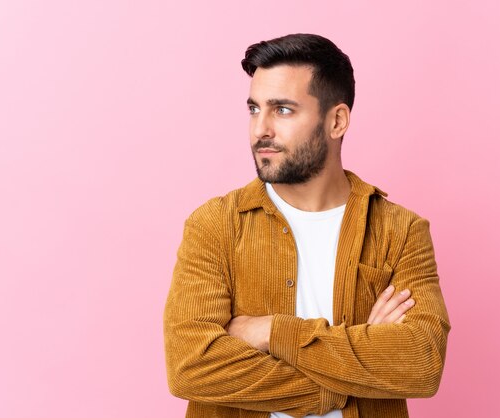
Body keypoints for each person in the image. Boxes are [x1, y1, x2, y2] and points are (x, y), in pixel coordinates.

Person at [164, 33, 450, 418]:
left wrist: (272, 332)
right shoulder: (215, 225)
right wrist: (353, 375)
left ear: (336, 120)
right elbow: (190, 366)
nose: (260, 129)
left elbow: (422, 363)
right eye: (254, 109)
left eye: (282, 110)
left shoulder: (400, 231)